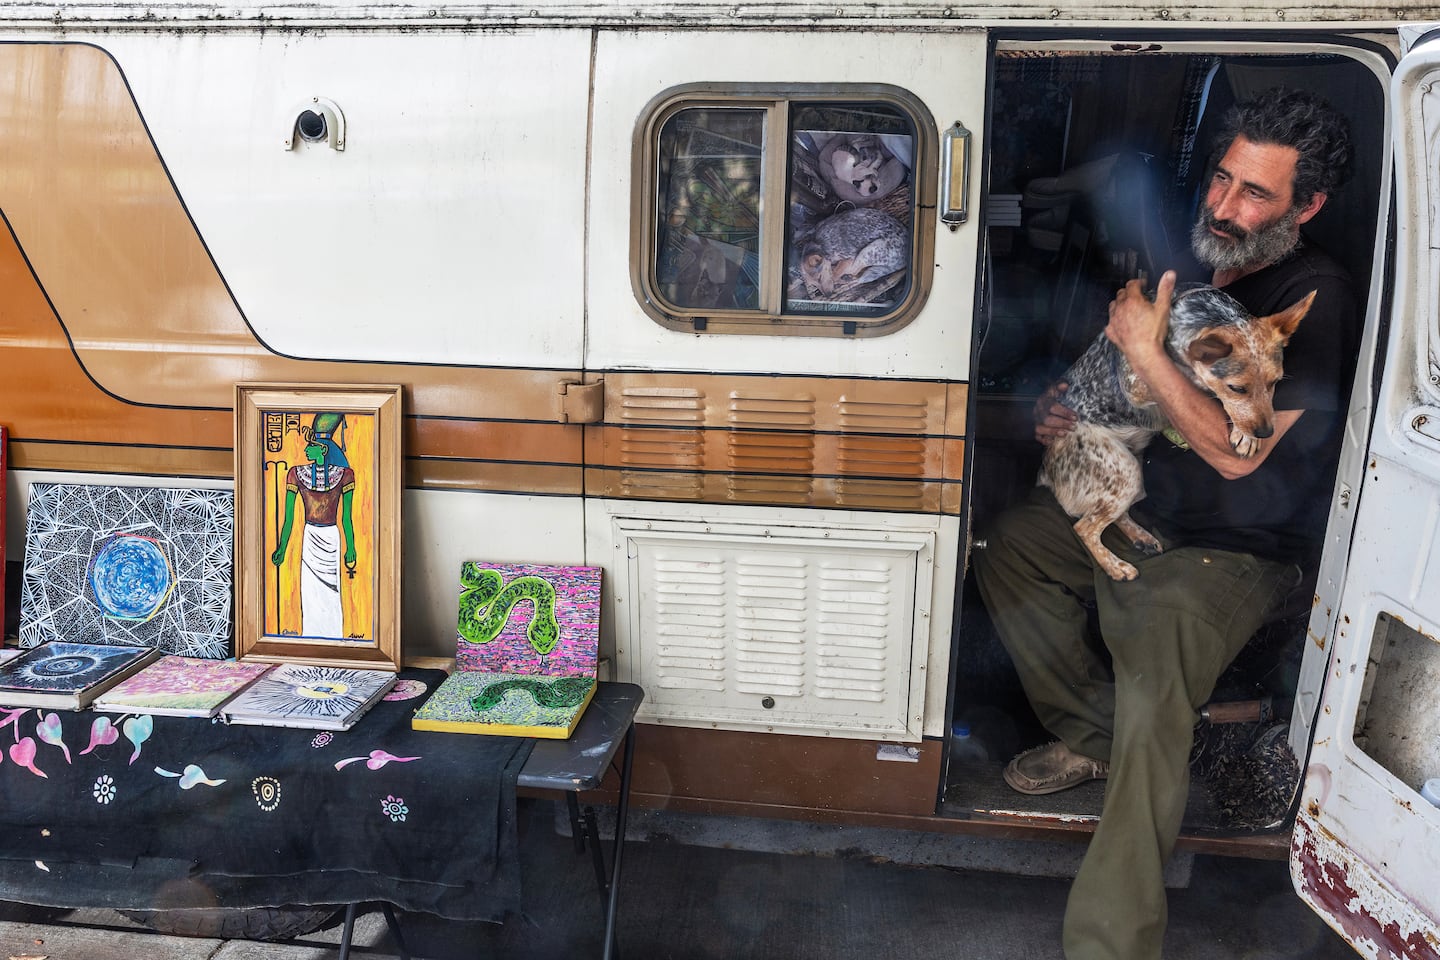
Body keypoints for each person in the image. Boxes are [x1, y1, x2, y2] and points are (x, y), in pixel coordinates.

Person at [973, 89, 1358, 960]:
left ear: (1308, 206)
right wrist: (1068, 414)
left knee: (1158, 692)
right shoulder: (1200, 270)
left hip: (1235, 550)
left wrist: (1146, 348)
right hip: (1142, 509)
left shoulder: (1311, 297)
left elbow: (1238, 455)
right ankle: (1095, 737)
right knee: (1009, 552)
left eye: (1255, 194)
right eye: (1222, 180)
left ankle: (1110, 945)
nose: (1224, 207)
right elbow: (1123, 387)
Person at [271, 412, 357, 638]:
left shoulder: (346, 475)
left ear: (324, 449)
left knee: (331, 591)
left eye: (312, 445)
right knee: (310, 590)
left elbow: (346, 517)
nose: (307, 449)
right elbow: (289, 518)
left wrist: (351, 547)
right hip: (310, 538)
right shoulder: (295, 474)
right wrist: (282, 547)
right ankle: (311, 637)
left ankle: (332, 637)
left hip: (331, 537)